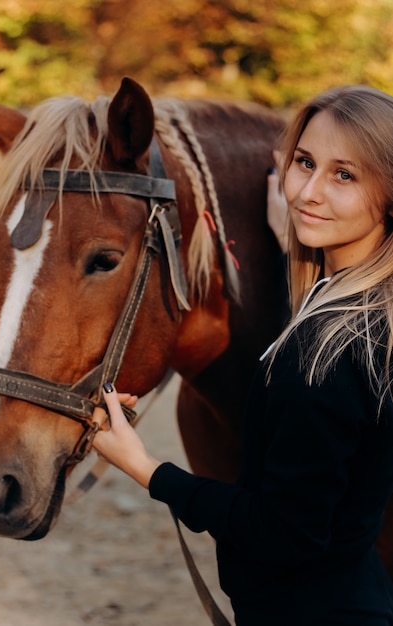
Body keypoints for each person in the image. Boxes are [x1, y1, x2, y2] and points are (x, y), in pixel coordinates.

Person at [92, 85, 393, 625]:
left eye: (344, 175)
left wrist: (145, 467)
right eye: (305, 163)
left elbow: (283, 533)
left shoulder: (322, 354)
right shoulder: (369, 314)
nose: (307, 193)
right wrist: (289, 247)